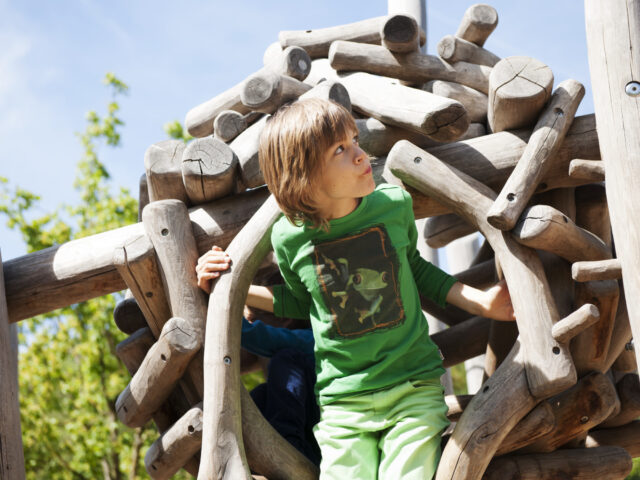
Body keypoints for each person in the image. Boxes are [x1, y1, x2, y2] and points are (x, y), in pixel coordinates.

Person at [196, 98, 515, 480]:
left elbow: (415, 271)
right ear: (305, 175)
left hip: (411, 384)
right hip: (344, 402)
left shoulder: (392, 207)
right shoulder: (289, 238)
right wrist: (230, 287)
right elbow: (301, 302)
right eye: (341, 150)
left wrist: (482, 302)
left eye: (355, 141)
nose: (362, 155)